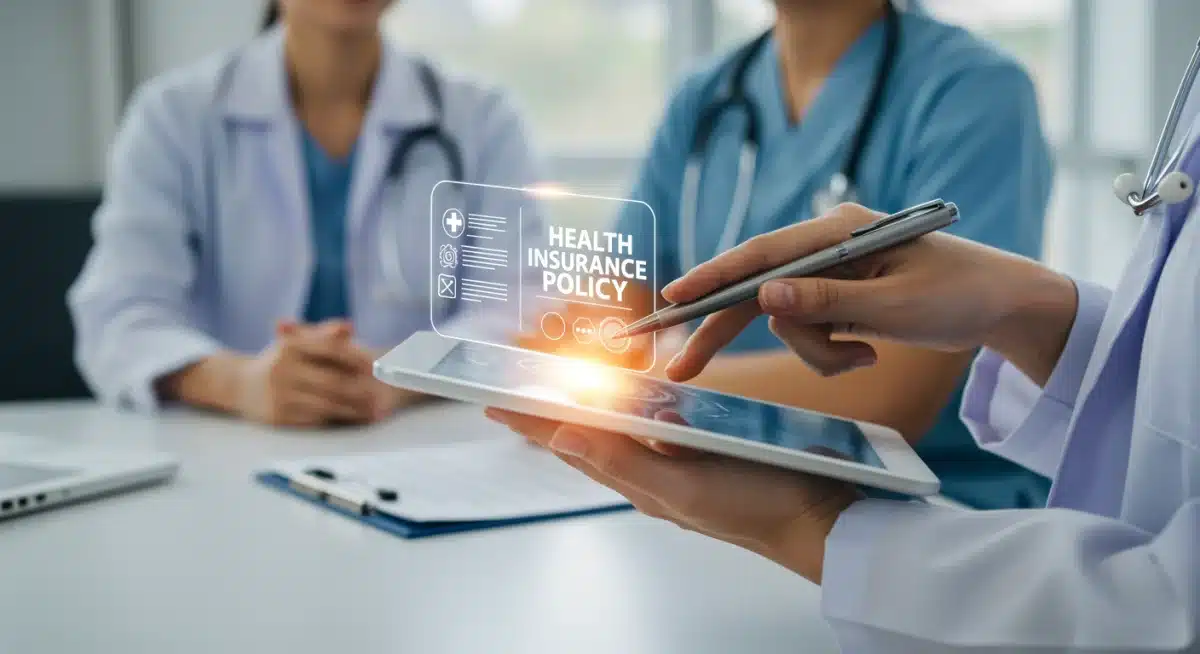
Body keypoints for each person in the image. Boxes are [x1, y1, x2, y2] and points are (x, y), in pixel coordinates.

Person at [487, 53, 1200, 652]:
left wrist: (807, 520)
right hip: (757, 528)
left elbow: (1167, 604)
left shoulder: (971, 90)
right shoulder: (709, 98)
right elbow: (622, 299)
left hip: (955, 535)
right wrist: (1026, 304)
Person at [537, 0, 1055, 510]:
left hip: (934, 509)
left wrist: (626, 391)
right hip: (721, 473)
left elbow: (890, 394)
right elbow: (605, 310)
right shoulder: (707, 98)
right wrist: (556, 360)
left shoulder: (975, 92)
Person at [68, 0, 543, 427]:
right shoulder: (172, 117)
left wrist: (399, 377)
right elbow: (119, 316)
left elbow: (524, 309)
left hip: (422, 450)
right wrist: (238, 383)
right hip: (221, 451)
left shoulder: (484, 120)